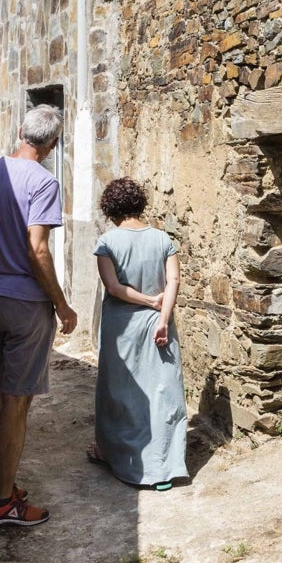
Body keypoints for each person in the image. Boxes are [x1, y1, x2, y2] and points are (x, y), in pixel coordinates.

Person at [0, 104, 78, 526]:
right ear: (52, 145)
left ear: (19, 131)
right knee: (17, 401)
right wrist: (62, 303)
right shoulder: (44, 181)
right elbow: (37, 250)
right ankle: (0, 502)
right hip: (24, 304)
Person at [88, 177, 187, 490]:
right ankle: (165, 467)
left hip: (123, 328)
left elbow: (114, 287)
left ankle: (118, 456)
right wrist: (162, 316)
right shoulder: (163, 239)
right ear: (140, 204)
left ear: (111, 208)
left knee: (121, 394)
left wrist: (147, 301)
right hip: (160, 324)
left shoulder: (107, 243)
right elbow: (174, 282)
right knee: (163, 395)